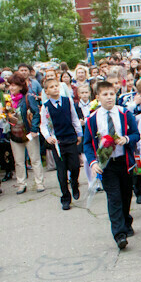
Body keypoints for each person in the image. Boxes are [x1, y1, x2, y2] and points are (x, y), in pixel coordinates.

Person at [84, 81, 140, 250]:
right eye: (105, 94)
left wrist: (126, 139)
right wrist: (93, 162)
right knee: (113, 197)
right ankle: (119, 234)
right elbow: (87, 143)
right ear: (98, 97)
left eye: (111, 94)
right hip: (106, 164)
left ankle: (126, 220)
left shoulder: (124, 113)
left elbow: (136, 134)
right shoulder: (92, 118)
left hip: (124, 161)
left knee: (125, 194)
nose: (109, 98)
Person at [40, 76, 82, 210]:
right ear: (46, 91)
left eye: (56, 86)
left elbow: (74, 118)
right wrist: (48, 137)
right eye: (51, 87)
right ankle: (65, 197)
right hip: (57, 142)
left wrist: (79, 133)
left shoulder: (67, 101)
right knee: (62, 170)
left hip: (70, 138)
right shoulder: (45, 107)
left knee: (75, 165)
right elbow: (44, 125)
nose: (55, 89)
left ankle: (74, 183)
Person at [6, 73, 45, 194]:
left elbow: (36, 113)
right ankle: (21, 183)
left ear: (20, 86)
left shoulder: (28, 97)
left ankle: (39, 182)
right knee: (18, 161)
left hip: (28, 133)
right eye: (10, 85)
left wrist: (34, 129)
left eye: (14, 85)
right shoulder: (8, 100)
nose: (11, 88)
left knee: (35, 158)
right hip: (15, 134)